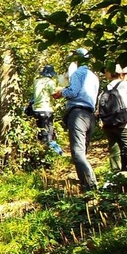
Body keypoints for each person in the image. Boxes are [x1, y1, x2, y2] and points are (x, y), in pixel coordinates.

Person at [53, 48, 100, 192]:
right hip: (90, 115)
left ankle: (90, 185)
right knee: (83, 151)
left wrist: (61, 92)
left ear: (76, 60)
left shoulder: (78, 73)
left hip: (78, 113)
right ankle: (86, 182)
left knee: (77, 152)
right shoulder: (94, 76)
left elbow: (73, 92)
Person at [99, 65, 127, 172]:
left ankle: (116, 178)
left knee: (115, 152)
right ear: (122, 74)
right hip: (126, 124)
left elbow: (99, 107)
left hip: (108, 125)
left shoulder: (106, 88)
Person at [31, 65, 63, 154]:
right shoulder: (50, 82)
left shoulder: (36, 81)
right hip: (46, 109)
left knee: (40, 132)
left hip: (36, 110)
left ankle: (40, 152)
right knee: (48, 132)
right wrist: (63, 91)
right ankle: (48, 153)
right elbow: (54, 94)